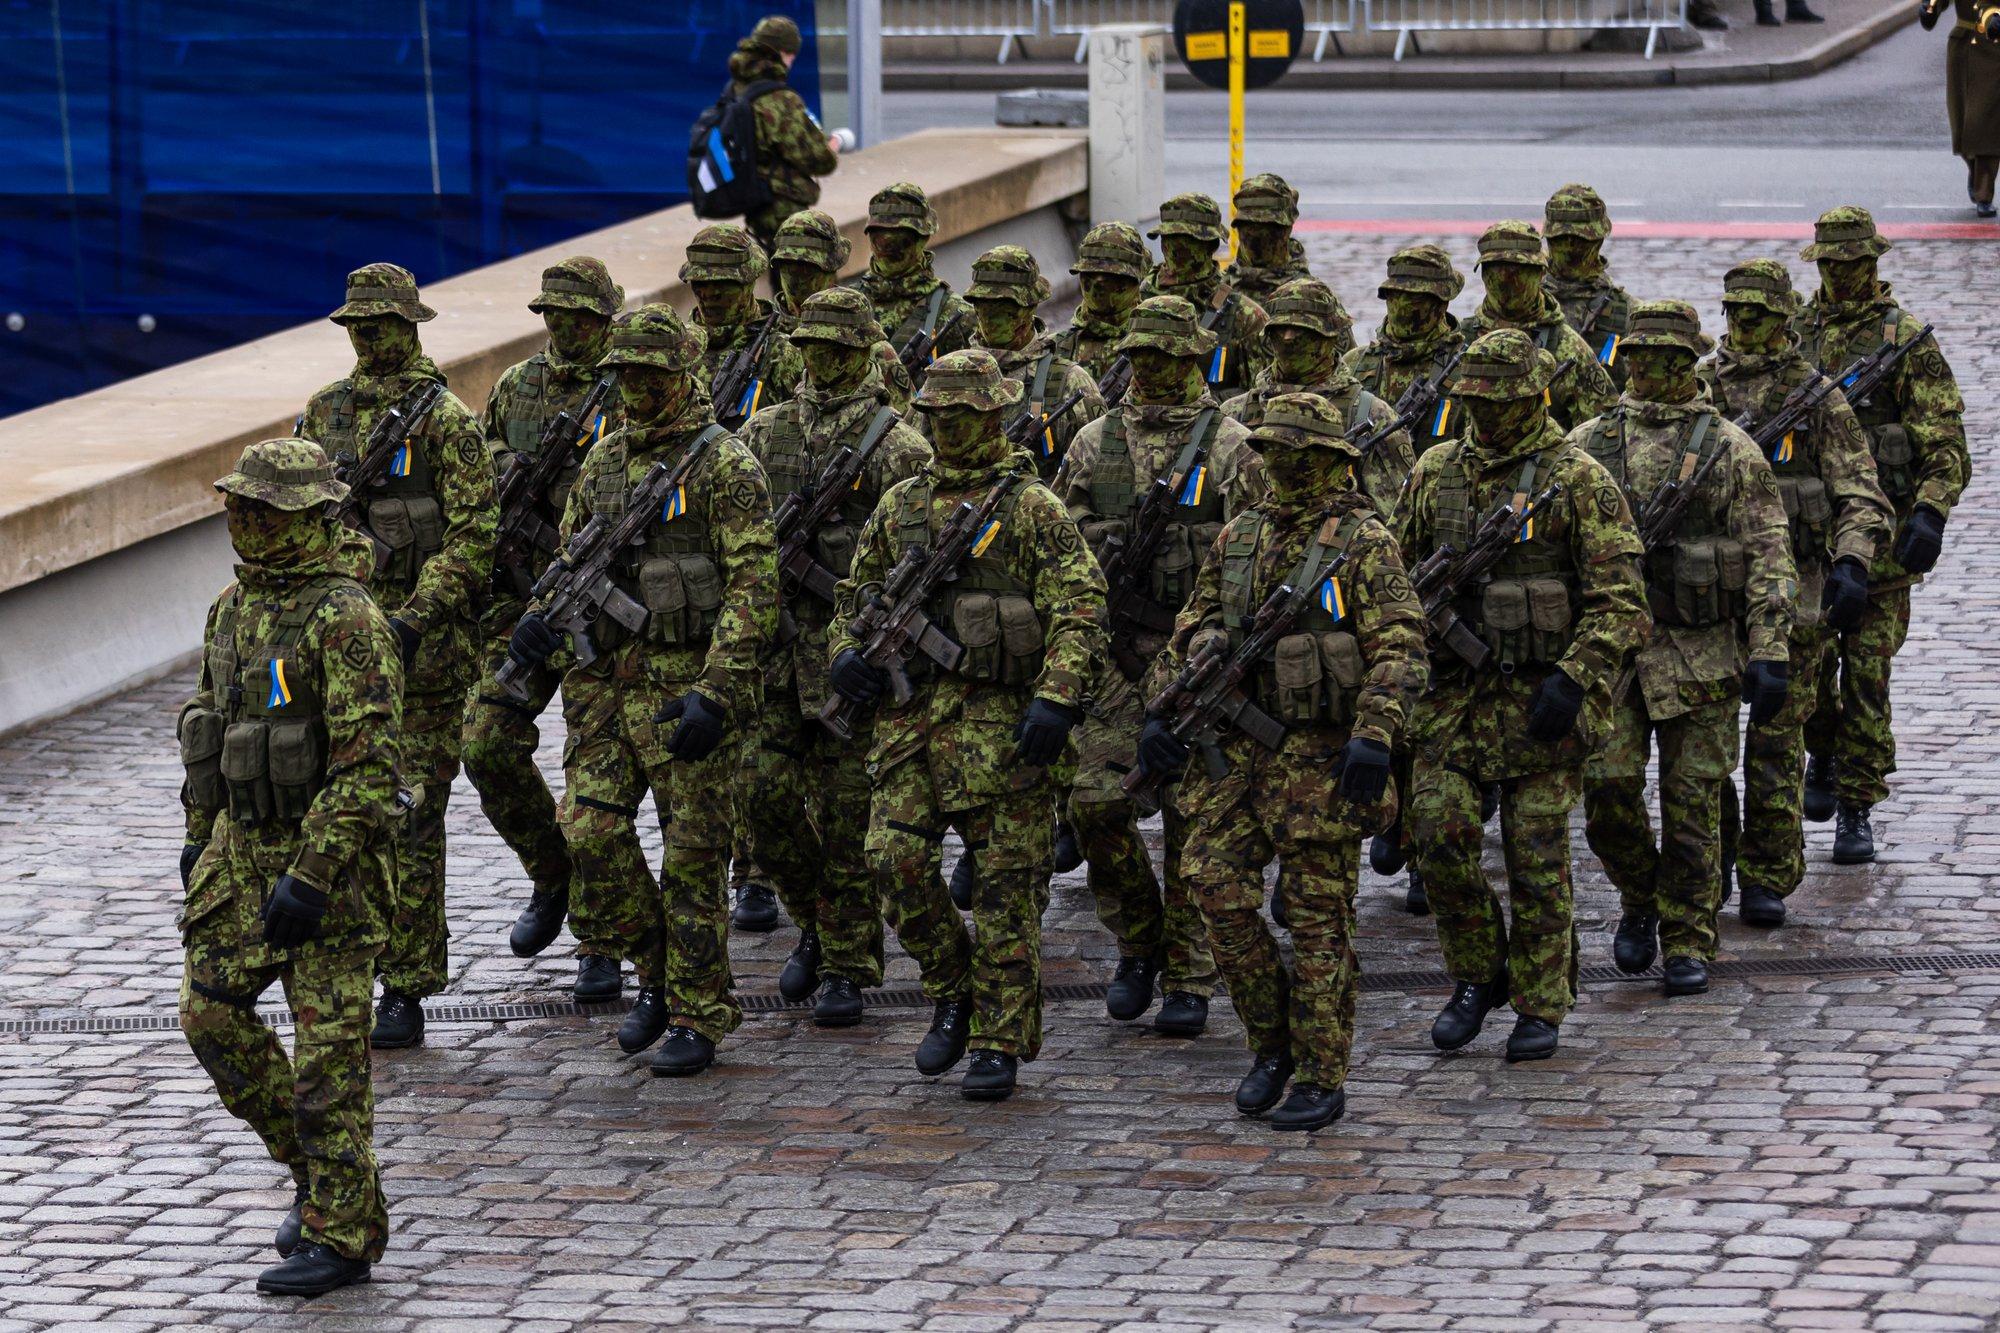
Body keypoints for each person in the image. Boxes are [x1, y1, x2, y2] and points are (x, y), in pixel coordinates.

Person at [1140, 392, 1425, 1131]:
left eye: (1298, 453)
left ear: (1332, 460)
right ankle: (1271, 1041)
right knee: (1212, 884)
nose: (1282, 465)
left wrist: (1376, 730)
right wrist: (1159, 709)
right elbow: (1191, 626)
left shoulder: (1363, 542)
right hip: (1237, 752)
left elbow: (1399, 644)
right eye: (1273, 452)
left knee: (1316, 916)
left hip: (1319, 759)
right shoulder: (1239, 533)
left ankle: (1322, 1070)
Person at [828, 349, 1107, 1103]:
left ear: (991, 415)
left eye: (962, 416)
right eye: (938, 417)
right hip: (913, 725)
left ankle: (998, 1037)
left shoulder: (1029, 509)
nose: (948, 429)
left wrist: (1057, 696)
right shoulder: (901, 507)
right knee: (892, 858)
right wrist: (846, 652)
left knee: (1007, 892)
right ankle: (953, 986)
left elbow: (1081, 607)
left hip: (1005, 730)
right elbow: (852, 595)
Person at [507, 305, 776, 1074]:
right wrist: (537, 624)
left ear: (678, 373)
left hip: (685, 687)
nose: (631, 387)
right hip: (605, 690)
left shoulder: (725, 465)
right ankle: (658, 969)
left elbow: (755, 587)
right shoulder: (604, 461)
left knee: (693, 858)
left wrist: (718, 693)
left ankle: (698, 1011)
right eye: (622, 374)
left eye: (645, 374)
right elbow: (569, 565)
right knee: (589, 831)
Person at [177, 439, 400, 1296]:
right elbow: (207, 732)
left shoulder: (347, 619)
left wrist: (311, 875)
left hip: (328, 877)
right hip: (243, 859)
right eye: (239, 505)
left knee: (327, 1062)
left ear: (305, 518)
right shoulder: (230, 609)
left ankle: (344, 1233)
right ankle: (320, 1178)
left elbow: (371, 763)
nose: (243, 519)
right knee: (210, 1016)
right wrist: (201, 837)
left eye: (261, 508)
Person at [1395, 330, 1648, 1063]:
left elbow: (1622, 601)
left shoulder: (1578, 480)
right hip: (1453, 701)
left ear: (1534, 396)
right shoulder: (1435, 470)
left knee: (1537, 851)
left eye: (1500, 402)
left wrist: (1576, 675)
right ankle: (1478, 973)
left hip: (1543, 700)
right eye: (1475, 401)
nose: (1487, 415)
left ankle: (1541, 999)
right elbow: (1393, 575)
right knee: (1437, 838)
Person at [1571, 301, 1796, 997]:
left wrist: (1771, 647)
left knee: (1693, 796)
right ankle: (1643, 894)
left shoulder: (1730, 448)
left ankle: (1689, 933)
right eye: (1636, 354)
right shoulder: (1586, 444)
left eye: (1661, 356)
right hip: (1615, 653)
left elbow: (1769, 554)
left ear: (1685, 362)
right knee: (1606, 789)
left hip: (1699, 650)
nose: (1644, 367)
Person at [299, 263, 496, 1050]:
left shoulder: (446, 422)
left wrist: (415, 618)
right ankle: (342, 962)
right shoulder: (325, 414)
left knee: (411, 815)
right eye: (360, 327)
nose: (371, 339)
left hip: (426, 656)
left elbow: (477, 536)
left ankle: (406, 983)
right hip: (341, 652)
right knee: (337, 810)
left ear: (412, 326)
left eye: (383, 325)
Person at [1056, 295, 1259, 1040]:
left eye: (1165, 357)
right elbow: (1061, 548)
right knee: (1095, 805)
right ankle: (1138, 938)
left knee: (1192, 818)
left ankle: (1191, 971)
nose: (1150, 369)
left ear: (1192, 358)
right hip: (1114, 654)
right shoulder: (1092, 444)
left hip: (1199, 660)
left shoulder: (1232, 448)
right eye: (1139, 355)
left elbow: (1258, 558)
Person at [737, 287, 933, 1026]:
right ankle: (817, 918)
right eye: (808, 344)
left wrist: (877, 640)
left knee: (849, 813)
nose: (817, 358)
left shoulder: (898, 445)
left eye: (832, 346)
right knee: (760, 793)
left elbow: (919, 564)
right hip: (776, 651)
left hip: (853, 655)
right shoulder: (764, 432)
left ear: (859, 351)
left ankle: (849, 958)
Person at [1706, 260, 1891, 930]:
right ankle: (1716, 860)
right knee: (1706, 751)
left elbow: (1861, 495)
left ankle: (1767, 873)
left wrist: (1853, 561)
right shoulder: (1700, 392)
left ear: (1785, 317)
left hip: (1798, 599)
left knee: (1777, 742)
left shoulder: (1818, 398)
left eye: (1756, 311)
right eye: (1734, 311)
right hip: (1711, 604)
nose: (1743, 323)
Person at [462, 256, 624, 997]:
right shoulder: (515, 388)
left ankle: (599, 935)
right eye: (554, 314)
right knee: (486, 741)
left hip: (607, 611)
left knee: (592, 780)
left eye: (581, 316)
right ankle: (549, 870)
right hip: (525, 606)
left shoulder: (636, 387)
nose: (566, 328)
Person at [1797, 207, 1969, 862]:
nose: (1845, 277)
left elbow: (1946, 442)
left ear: (1874, 263)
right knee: (1809, 676)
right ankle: (1826, 749)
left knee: (1866, 673)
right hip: (1809, 547)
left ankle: (1857, 804)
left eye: (1856, 265)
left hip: (1884, 549)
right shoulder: (1793, 335)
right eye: (1835, 266)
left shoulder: (1904, 341)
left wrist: (1930, 510)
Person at [1458, 220, 1619, 433]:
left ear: (1540, 273)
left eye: (1518, 271)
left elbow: (1603, 432)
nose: (1507, 279)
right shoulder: (1461, 340)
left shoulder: (1567, 347)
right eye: (1497, 269)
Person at [770, 207, 916, 411]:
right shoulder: (762, 340)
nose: (796, 279)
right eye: (788, 267)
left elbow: (908, 422)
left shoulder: (865, 344)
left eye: (806, 269)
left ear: (832, 268)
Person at [727, 14, 841, 251]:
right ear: (780, 52)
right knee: (797, 283)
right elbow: (817, 159)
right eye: (791, 54)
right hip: (783, 210)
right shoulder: (780, 100)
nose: (791, 61)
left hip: (754, 205)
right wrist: (833, 146)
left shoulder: (736, 89)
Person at [1345, 244, 1470, 457]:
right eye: (1397, 297)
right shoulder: (1355, 364)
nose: (1403, 307)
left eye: (1415, 300)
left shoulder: (1467, 369)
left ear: (1442, 304)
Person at [1141, 193, 1270, 399]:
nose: (1176, 250)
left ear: (1211, 245)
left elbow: (1260, 398)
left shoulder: (1244, 317)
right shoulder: (1135, 304)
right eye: (1171, 239)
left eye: (1187, 241)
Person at [846, 182, 975, 370]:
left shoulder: (953, 314)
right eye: (880, 238)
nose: (888, 248)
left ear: (923, 238)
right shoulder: (846, 306)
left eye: (899, 240)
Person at [1542, 184, 1633, 392]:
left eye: (1579, 241)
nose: (1570, 248)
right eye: (1562, 240)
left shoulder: (1627, 313)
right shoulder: (1525, 305)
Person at [1924, 0, 2000, 216]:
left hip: (1994, 49)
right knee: (1960, 122)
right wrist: (1930, 9)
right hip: (1962, 47)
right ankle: (1974, 168)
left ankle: (1984, 193)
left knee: (1986, 121)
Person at [1053, 221, 1152, 384]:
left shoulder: (1161, 343)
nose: (1098, 283)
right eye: (1090, 274)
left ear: (1136, 278)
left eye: (1111, 276)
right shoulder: (1056, 348)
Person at [1223, 173, 1317, 310]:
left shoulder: (1312, 297)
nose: (1256, 235)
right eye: (1248, 227)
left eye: (1269, 229)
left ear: (1286, 230)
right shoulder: (1217, 292)